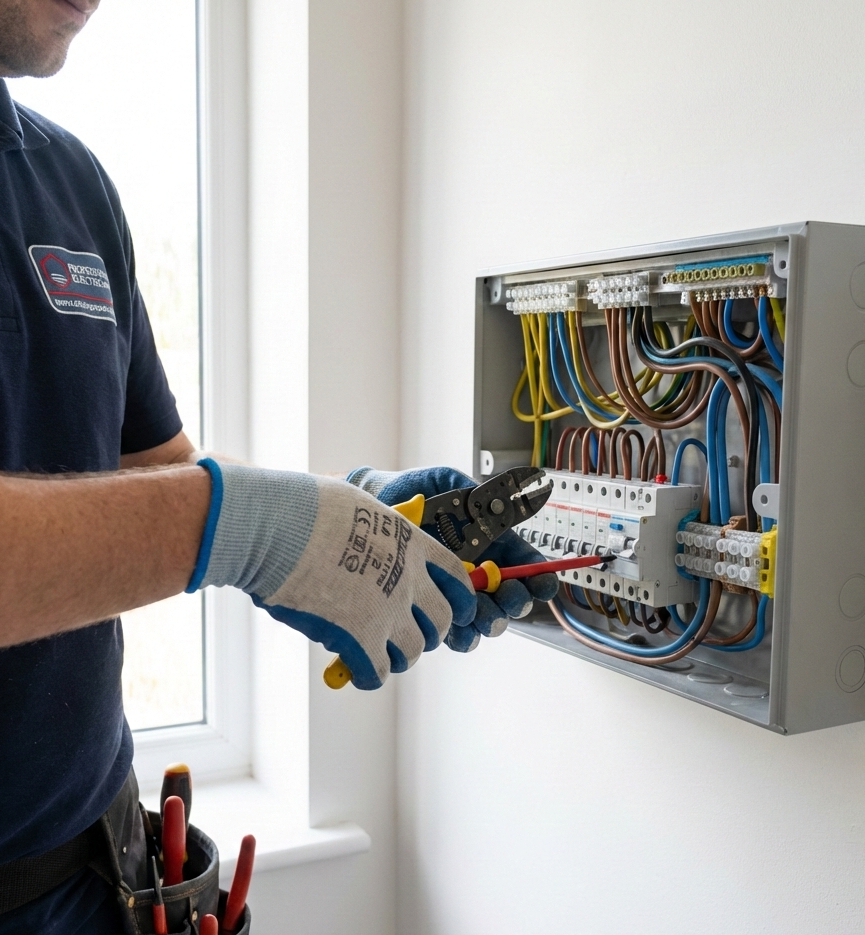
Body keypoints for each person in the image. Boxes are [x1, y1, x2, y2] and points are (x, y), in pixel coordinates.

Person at [0, 2, 556, 932]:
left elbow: (159, 473)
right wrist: (260, 528)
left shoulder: (69, 182)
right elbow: (215, 520)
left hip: (100, 870)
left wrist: (346, 514)